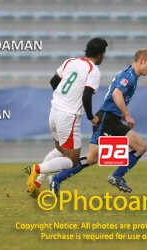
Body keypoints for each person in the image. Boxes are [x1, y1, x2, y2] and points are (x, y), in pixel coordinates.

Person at [50, 49, 147, 194]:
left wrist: (122, 115)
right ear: (141, 60)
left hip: (114, 118)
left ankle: (117, 176)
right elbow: (116, 93)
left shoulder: (131, 75)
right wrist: (127, 115)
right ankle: (56, 179)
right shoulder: (129, 76)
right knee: (92, 158)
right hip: (106, 118)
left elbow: (115, 97)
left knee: (141, 147)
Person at [25, 38, 109, 197]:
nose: (103, 57)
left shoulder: (71, 61)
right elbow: (86, 96)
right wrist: (91, 117)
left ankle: (37, 181)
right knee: (72, 161)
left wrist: (65, 98)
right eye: (103, 53)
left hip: (54, 111)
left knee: (59, 149)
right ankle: (36, 169)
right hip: (68, 117)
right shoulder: (93, 71)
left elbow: (53, 81)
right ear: (99, 54)